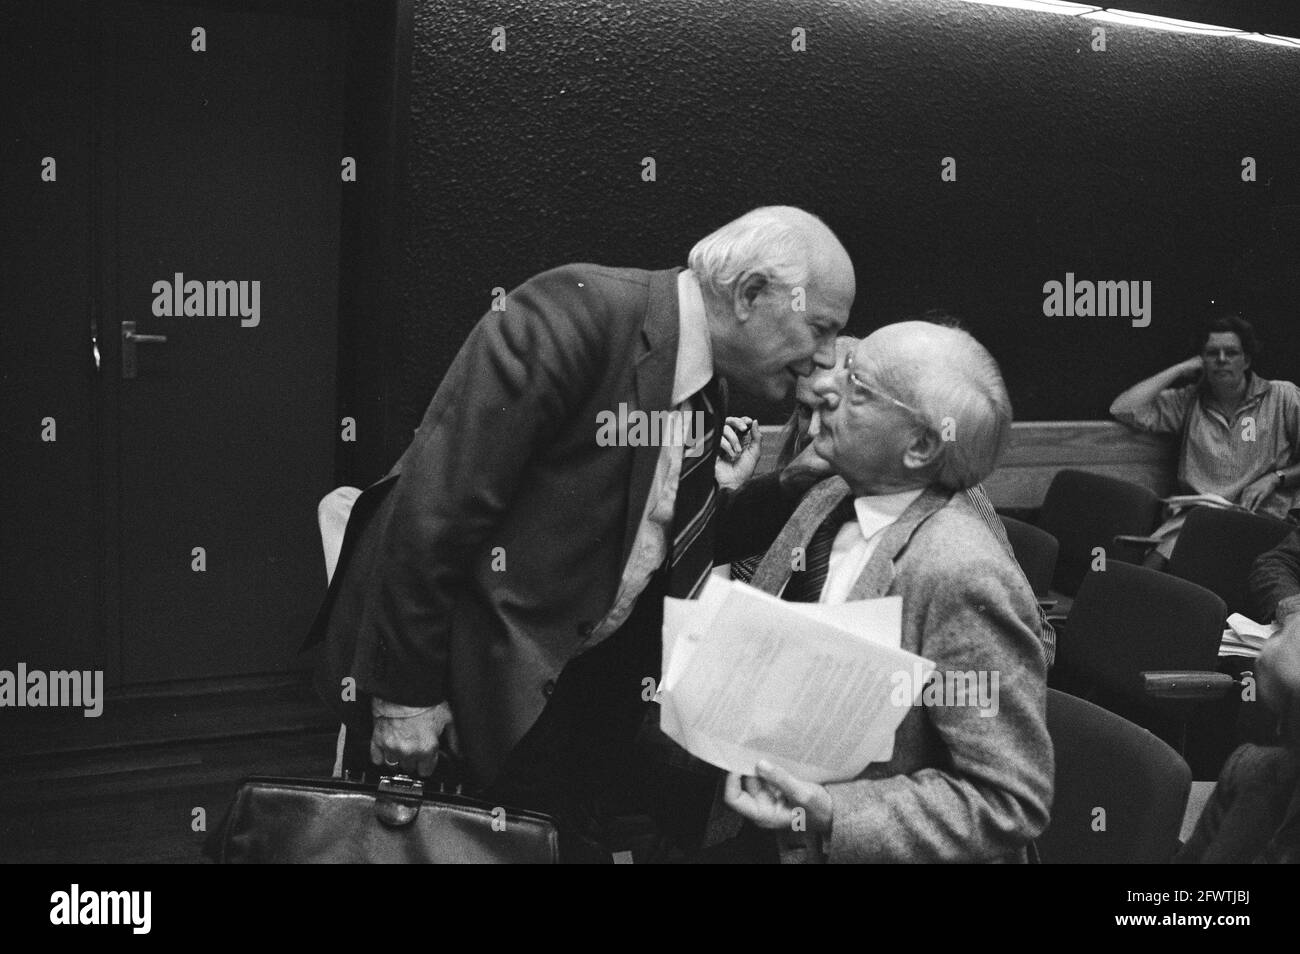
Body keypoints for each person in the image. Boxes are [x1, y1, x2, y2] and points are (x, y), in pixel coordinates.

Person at [304, 206, 854, 858]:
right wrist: (404, 700)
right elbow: (431, 514)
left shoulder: (708, 385)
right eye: (820, 328)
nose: (824, 358)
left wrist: (794, 483)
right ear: (750, 294)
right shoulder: (572, 314)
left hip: (579, 693)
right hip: (477, 685)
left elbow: (678, 543)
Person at [717, 322, 1054, 862]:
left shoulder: (960, 570)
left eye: (858, 388)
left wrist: (832, 812)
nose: (825, 388)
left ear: (920, 446)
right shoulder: (829, 497)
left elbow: (1008, 800)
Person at [724, 332, 1056, 666]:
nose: (813, 429)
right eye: (805, 409)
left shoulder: (959, 554)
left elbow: (1027, 649)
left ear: (920, 446)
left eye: (855, 393)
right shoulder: (823, 493)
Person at [1110, 314, 1300, 564]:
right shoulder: (1188, 401)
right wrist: (1179, 369)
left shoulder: (1282, 396)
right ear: (1201, 360)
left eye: (1231, 352)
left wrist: (1276, 478)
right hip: (1201, 518)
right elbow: (1122, 408)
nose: (1221, 360)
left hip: (1264, 515)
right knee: (1153, 564)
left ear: (1247, 360)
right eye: (1212, 353)